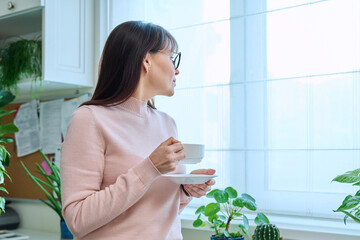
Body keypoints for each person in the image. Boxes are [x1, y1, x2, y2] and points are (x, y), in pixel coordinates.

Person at [60, 21, 216, 240]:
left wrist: (185, 192)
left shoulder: (168, 123)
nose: (177, 69)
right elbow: (77, 219)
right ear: (146, 60)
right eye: (172, 58)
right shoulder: (89, 119)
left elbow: (152, 215)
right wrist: (149, 168)